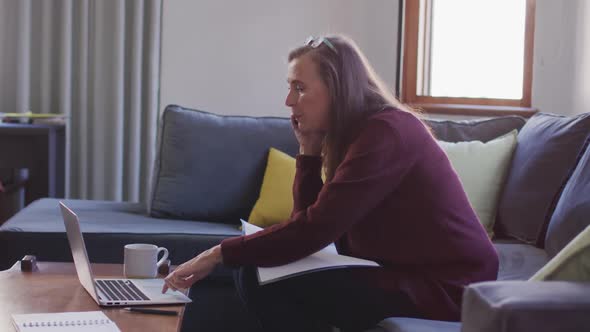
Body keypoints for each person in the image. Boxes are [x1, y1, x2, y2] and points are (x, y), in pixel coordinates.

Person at [162, 35, 499, 331]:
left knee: (253, 270)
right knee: (253, 267)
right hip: (401, 272)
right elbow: (310, 227)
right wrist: (308, 151)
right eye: (290, 87)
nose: (289, 102)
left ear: (337, 88)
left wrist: (217, 253)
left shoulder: (387, 133)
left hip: (448, 287)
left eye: (300, 87)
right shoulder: (354, 134)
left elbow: (313, 231)